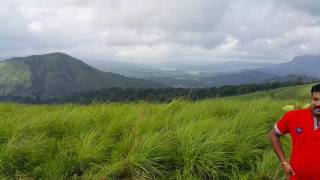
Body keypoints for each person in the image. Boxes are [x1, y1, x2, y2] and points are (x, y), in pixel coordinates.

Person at [269, 83, 320, 180]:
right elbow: (273, 135)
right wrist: (284, 162)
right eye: (315, 99)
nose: (318, 104)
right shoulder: (293, 117)